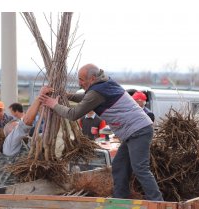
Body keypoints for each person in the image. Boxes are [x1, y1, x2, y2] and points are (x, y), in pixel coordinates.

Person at [39, 63, 163, 201]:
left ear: (92, 79)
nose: (80, 83)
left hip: (138, 130)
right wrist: (67, 96)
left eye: (81, 79)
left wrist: (53, 104)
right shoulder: (105, 82)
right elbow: (88, 99)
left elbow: (73, 114)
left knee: (140, 168)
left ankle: (158, 202)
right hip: (134, 131)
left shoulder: (97, 92)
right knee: (119, 165)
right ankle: (120, 199)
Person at [0, 87, 53, 187]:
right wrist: (40, 98)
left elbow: (46, 136)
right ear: (10, 133)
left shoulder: (28, 143)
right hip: (8, 194)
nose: (19, 127)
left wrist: (47, 110)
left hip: (24, 192)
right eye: (16, 127)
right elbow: (25, 123)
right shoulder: (10, 143)